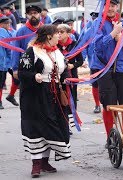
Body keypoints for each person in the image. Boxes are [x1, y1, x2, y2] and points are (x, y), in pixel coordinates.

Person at [18, 24, 71, 178]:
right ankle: (36, 164)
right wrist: (34, 76)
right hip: (36, 96)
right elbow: (21, 73)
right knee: (37, 127)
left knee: (52, 125)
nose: (59, 36)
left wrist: (67, 78)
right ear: (49, 36)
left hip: (54, 95)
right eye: (57, 33)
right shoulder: (32, 52)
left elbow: (64, 70)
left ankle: (45, 162)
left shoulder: (57, 52)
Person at [93, 0, 123, 136]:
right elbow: (97, 46)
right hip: (105, 70)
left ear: (117, 7)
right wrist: (112, 34)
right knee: (108, 105)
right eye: (107, 6)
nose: (110, 8)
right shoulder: (98, 24)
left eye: (112, 5)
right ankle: (110, 137)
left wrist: (120, 38)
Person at [10, 5, 43, 107]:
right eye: (30, 14)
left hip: (43, 66)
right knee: (28, 96)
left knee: (42, 96)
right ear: (27, 16)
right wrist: (15, 68)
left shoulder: (45, 29)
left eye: (35, 13)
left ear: (40, 15)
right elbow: (15, 50)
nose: (33, 15)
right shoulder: (21, 31)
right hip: (26, 67)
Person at [57, 24, 84, 109]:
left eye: (61, 32)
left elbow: (80, 61)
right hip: (58, 76)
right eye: (57, 32)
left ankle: (72, 118)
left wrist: (73, 65)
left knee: (72, 98)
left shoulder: (74, 44)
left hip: (72, 75)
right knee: (60, 98)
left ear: (68, 34)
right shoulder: (55, 44)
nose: (59, 34)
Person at [0, 17, 12, 109]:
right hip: (2, 63)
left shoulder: (7, 32)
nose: (9, 25)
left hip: (3, 63)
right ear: (3, 24)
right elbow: (9, 49)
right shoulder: (4, 32)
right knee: (1, 84)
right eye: (8, 24)